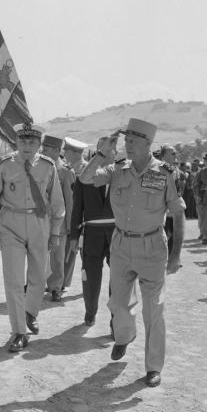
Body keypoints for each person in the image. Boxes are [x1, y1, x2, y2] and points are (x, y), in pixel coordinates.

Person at [80, 118, 185, 388]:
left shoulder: (165, 173)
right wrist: (103, 152)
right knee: (118, 304)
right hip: (121, 245)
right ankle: (125, 336)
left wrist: (176, 254)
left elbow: (178, 213)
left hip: (152, 246)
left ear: (149, 144)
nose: (127, 145)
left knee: (154, 309)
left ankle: (153, 367)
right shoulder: (117, 170)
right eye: (126, 140)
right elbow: (85, 177)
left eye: (133, 141)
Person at [0, 122, 65, 352]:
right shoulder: (3, 165)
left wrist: (56, 231)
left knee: (40, 275)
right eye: (22, 141)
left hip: (40, 223)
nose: (27, 145)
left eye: (32, 141)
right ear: (16, 142)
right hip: (11, 224)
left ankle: (30, 312)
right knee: (13, 279)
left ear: (39, 144)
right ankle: (19, 331)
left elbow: (57, 201)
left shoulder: (48, 166)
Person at [69, 137, 116, 327]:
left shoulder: (122, 174)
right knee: (90, 278)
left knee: (119, 280)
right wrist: (73, 236)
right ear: (96, 153)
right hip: (92, 234)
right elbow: (76, 209)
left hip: (116, 233)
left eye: (111, 150)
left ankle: (116, 317)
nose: (107, 153)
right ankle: (90, 311)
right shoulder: (84, 177)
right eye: (102, 150)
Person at [42, 135, 75, 302]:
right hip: (39, 221)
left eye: (46, 149)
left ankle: (55, 288)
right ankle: (36, 283)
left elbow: (69, 201)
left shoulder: (66, 171)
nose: (43, 151)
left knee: (57, 257)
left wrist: (69, 225)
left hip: (58, 223)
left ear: (56, 151)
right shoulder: (38, 167)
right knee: (37, 254)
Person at [60, 137, 89, 291]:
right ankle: (62, 281)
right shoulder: (67, 168)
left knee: (86, 254)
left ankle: (90, 284)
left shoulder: (86, 169)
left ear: (75, 152)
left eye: (67, 150)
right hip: (71, 215)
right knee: (68, 250)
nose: (64, 152)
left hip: (85, 217)